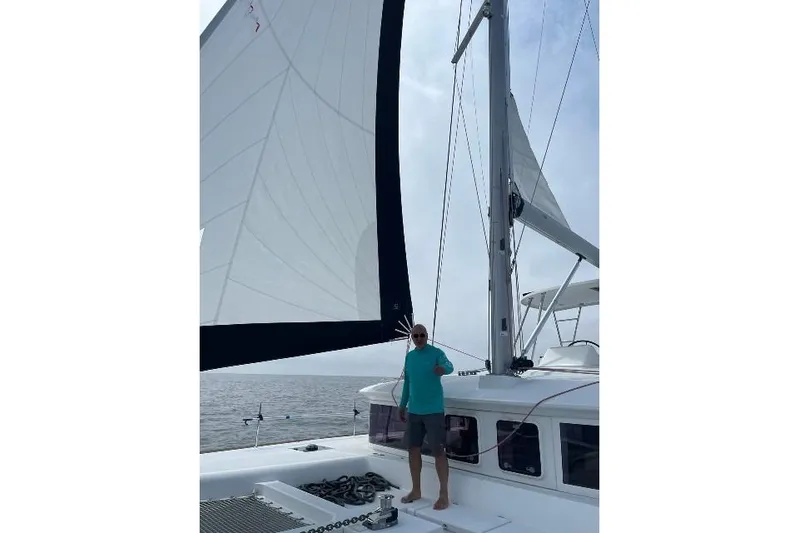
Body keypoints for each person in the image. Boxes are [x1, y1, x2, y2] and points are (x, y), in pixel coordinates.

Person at [398, 323, 454, 510]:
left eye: (422, 335)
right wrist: (402, 405)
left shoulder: (436, 353)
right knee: (413, 449)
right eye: (416, 336)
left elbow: (449, 366)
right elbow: (407, 384)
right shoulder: (410, 357)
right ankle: (416, 490)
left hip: (434, 411)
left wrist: (442, 369)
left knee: (439, 452)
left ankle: (444, 495)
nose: (419, 338)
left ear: (427, 336)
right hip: (414, 411)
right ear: (412, 338)